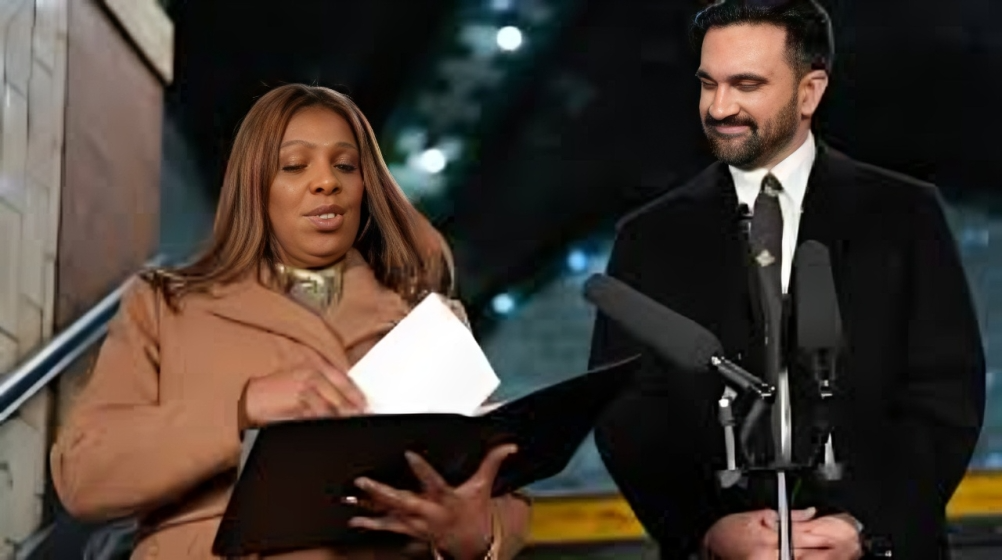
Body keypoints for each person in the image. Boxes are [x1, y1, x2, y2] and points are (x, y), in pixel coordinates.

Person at [50, 84, 531, 559]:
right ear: (254, 185)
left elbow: (501, 492)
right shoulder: (163, 304)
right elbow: (85, 475)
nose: (327, 183)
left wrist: (475, 538)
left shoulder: (427, 322)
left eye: (345, 165)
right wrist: (242, 408)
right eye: (295, 165)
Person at [589, 1, 985, 559]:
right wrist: (705, 530)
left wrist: (863, 526)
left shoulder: (904, 214)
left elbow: (944, 396)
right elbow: (628, 416)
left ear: (809, 92)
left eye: (745, 84)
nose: (719, 106)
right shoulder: (649, 236)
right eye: (708, 84)